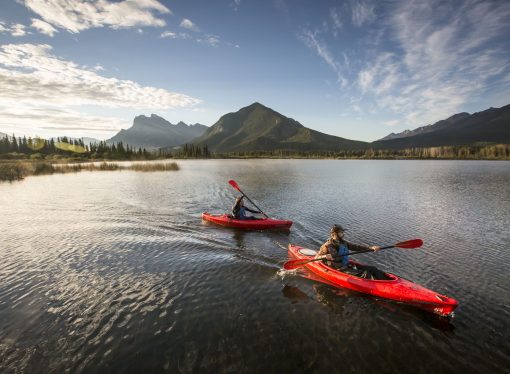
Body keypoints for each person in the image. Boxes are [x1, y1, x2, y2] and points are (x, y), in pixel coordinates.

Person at [315, 224, 388, 280]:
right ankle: (379, 286)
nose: (343, 234)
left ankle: (387, 280)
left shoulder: (343, 242)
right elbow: (317, 257)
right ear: (335, 234)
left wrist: (371, 248)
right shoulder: (327, 246)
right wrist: (324, 256)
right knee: (365, 274)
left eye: (342, 232)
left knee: (372, 269)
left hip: (347, 265)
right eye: (341, 232)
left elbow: (356, 247)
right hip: (339, 269)